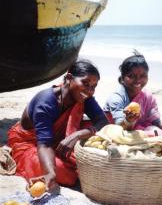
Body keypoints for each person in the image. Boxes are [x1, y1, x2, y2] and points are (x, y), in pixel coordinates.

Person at [8, 59, 108, 189]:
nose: (90, 90)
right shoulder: (46, 101)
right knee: (60, 170)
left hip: (59, 139)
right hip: (32, 143)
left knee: (108, 125)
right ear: (68, 78)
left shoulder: (83, 96)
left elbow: (103, 120)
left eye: (93, 87)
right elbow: (44, 144)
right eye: (85, 83)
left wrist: (78, 135)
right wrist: (50, 173)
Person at [103, 51, 162, 144]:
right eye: (131, 76)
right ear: (122, 78)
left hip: (145, 126)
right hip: (124, 132)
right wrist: (128, 120)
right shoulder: (116, 98)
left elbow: (155, 120)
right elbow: (119, 126)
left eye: (143, 76)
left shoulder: (147, 96)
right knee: (158, 134)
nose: (138, 80)